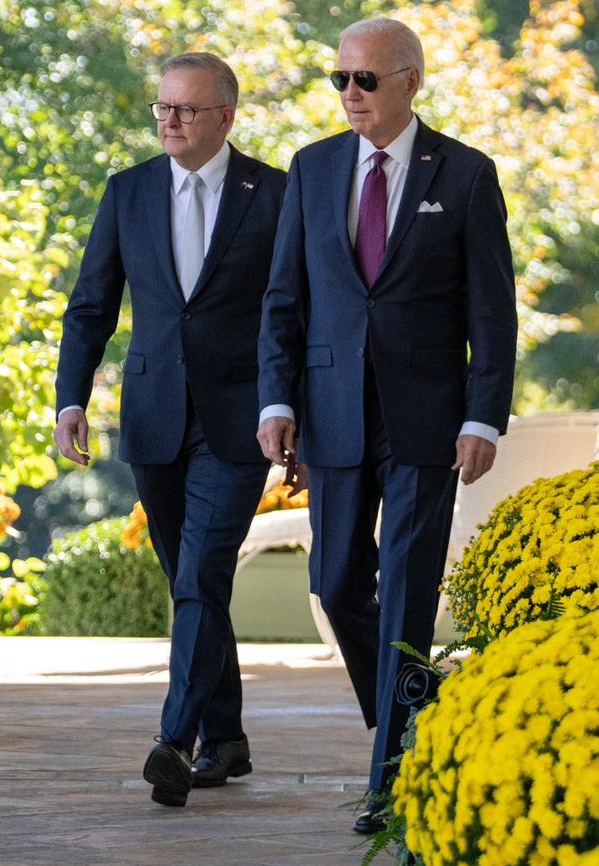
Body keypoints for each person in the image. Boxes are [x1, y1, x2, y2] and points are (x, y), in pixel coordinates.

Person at [257, 18, 517, 833]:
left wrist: (483, 415)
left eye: (365, 80)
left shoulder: (468, 176)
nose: (349, 94)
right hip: (331, 416)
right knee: (335, 582)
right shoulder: (312, 168)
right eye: (339, 79)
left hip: (428, 422)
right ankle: (416, 712)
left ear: (411, 81)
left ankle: (394, 777)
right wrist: (277, 400)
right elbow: (284, 300)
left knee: (406, 591)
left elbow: (493, 313)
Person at [54, 52, 286, 809]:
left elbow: (299, 315)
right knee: (192, 587)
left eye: (185, 109)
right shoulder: (127, 192)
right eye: (162, 108)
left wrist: (299, 421)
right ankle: (228, 738)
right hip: (152, 418)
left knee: (199, 578)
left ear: (225, 115)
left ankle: (174, 742)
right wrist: (71, 396)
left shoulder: (276, 195)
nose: (169, 120)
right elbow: (91, 304)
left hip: (241, 421)